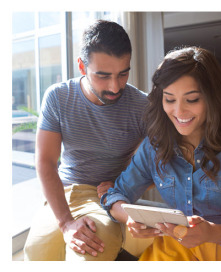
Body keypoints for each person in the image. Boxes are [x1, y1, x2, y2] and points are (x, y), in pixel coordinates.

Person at [100, 46, 221, 261]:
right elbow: (117, 195)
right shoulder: (155, 145)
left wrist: (210, 232)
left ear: (212, 97)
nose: (179, 112)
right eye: (169, 99)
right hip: (173, 251)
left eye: (192, 99)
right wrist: (131, 218)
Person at [23, 19, 148, 261]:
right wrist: (66, 223)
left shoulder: (142, 106)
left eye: (123, 74)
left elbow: (165, 163)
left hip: (107, 197)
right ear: (82, 66)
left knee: (87, 257)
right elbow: (46, 162)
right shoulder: (58, 97)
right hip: (65, 192)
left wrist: (127, 187)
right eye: (103, 76)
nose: (115, 86)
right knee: (35, 256)